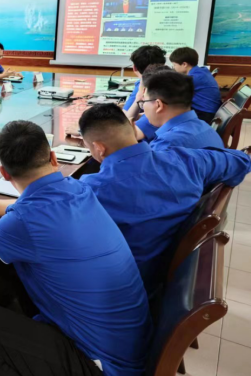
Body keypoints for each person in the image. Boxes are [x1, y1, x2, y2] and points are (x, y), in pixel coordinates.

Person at [0, 120, 152, 376]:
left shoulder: (26, 221)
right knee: (18, 266)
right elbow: (25, 210)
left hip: (102, 366)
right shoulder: (78, 188)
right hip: (128, 346)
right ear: (53, 158)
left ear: (5, 173)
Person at [78, 104, 251, 295]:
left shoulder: (92, 191)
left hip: (125, 285)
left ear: (99, 148)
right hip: (164, 273)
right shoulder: (186, 160)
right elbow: (243, 160)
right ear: (132, 127)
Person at [143, 71, 224, 151]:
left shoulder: (166, 144)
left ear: (158, 105)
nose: (143, 106)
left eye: (143, 101)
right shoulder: (207, 128)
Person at [122, 45, 167, 141]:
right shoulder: (172, 83)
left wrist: (138, 99)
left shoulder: (153, 87)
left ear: (134, 68)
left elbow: (127, 131)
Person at [169, 47, 221, 123]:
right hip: (208, 111)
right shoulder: (202, 71)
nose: (173, 68)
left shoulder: (194, 77)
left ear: (184, 64)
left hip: (204, 115)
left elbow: (173, 92)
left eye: (174, 65)